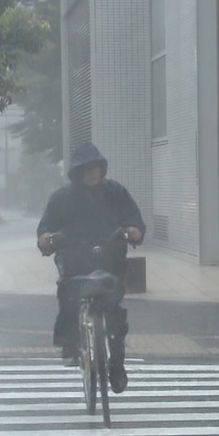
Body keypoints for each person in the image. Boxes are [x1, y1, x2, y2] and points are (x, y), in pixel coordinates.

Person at [37, 142, 145, 393]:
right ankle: (70, 342)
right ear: (76, 172)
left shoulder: (116, 192)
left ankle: (117, 366)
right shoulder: (62, 198)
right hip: (75, 262)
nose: (91, 173)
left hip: (111, 261)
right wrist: (46, 239)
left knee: (115, 315)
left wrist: (134, 231)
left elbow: (135, 220)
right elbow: (45, 229)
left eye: (95, 167)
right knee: (69, 296)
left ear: (102, 168)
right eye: (85, 169)